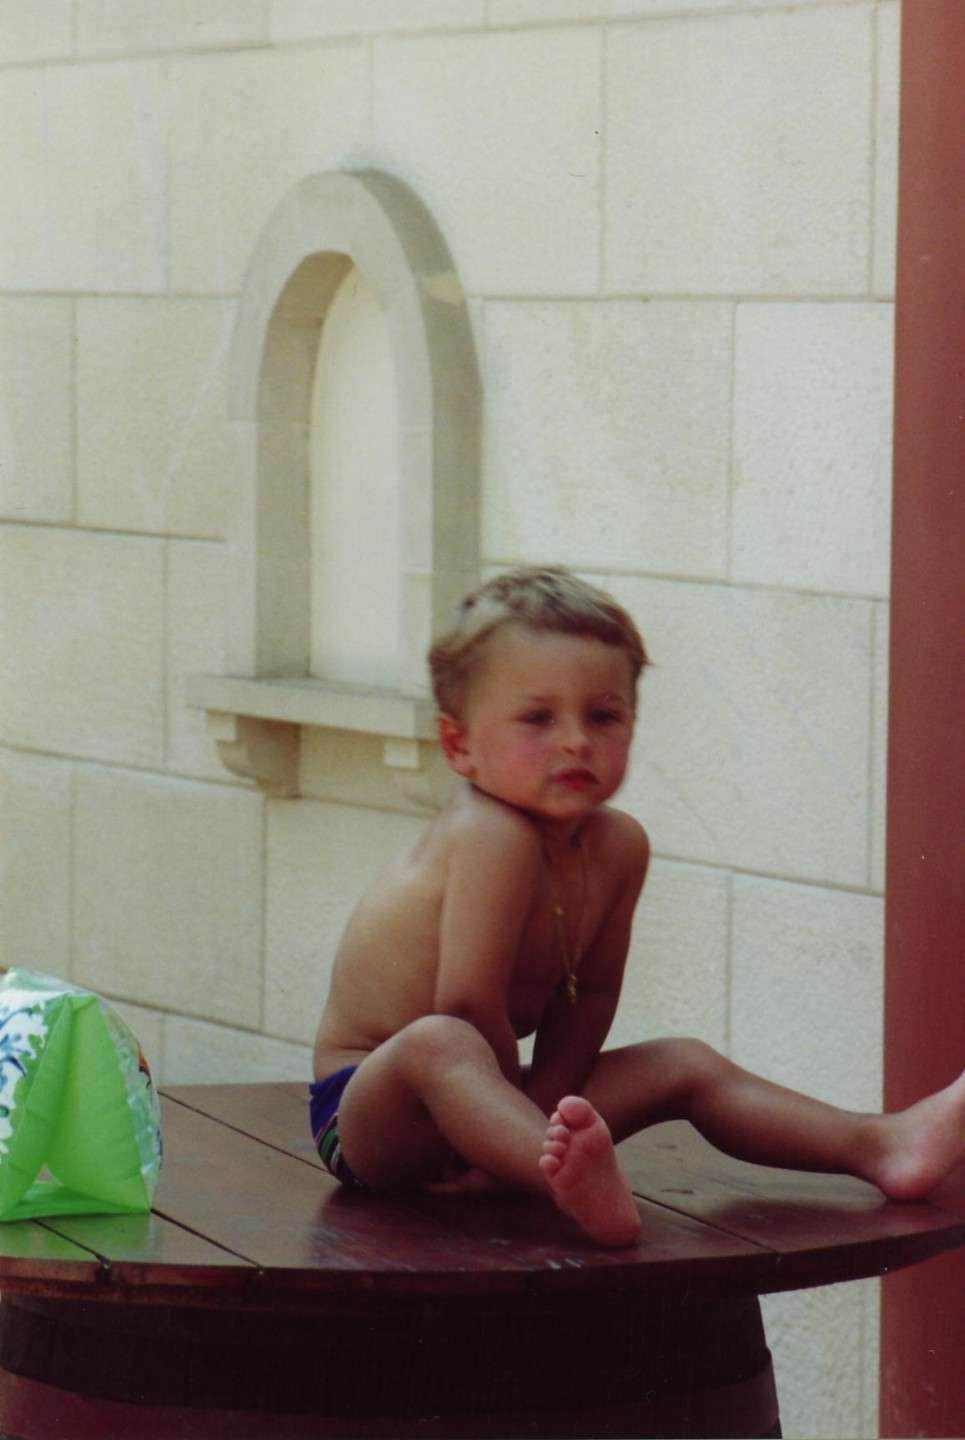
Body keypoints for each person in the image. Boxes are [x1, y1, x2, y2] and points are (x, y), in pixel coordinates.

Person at [311, 566, 965, 1248]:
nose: (575, 740)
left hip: (491, 1107)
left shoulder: (618, 847)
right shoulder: (488, 834)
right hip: (367, 1115)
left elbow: (588, 998)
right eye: (537, 718)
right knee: (439, 1041)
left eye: (602, 716)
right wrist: (518, 1142)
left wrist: (547, 1119)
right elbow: (468, 1007)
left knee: (682, 1063)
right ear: (458, 745)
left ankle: (882, 1146)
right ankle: (562, 1183)